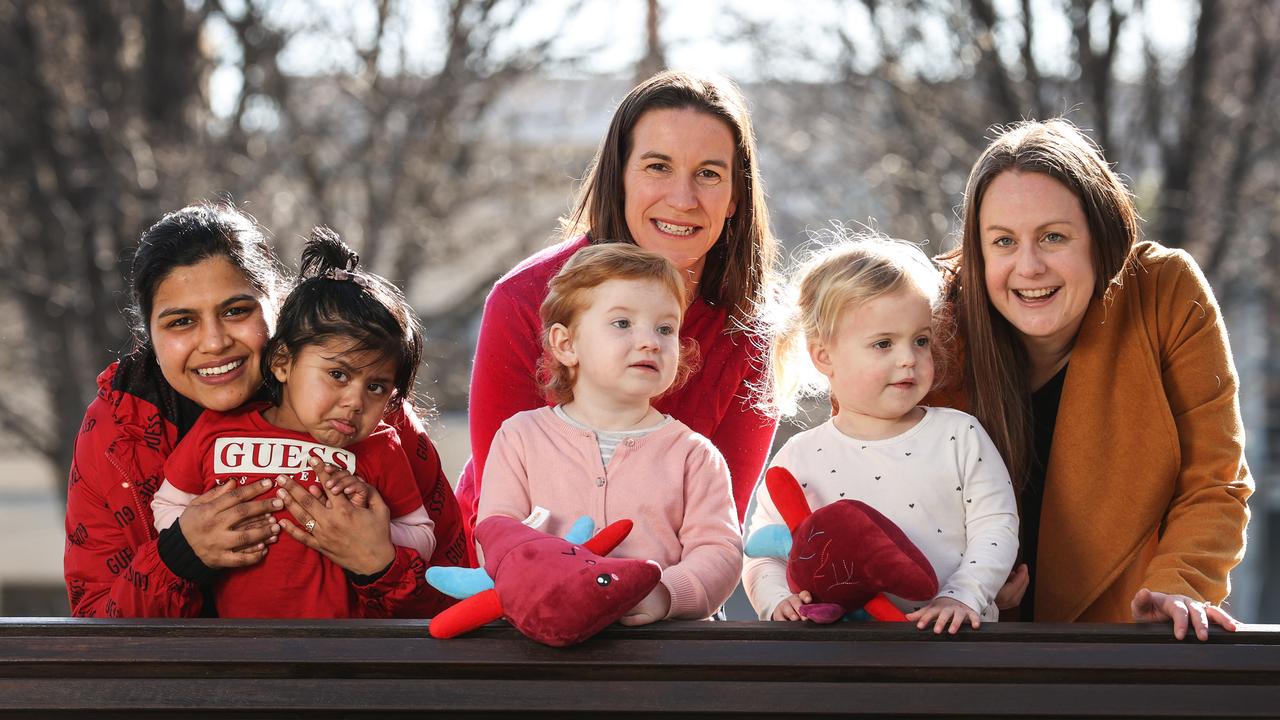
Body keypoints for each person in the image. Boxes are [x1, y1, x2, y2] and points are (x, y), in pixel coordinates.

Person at [933, 119, 1253, 639]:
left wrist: (1179, 585)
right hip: (962, 644)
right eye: (1004, 241)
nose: (1029, 266)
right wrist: (967, 581)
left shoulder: (1162, 292)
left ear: (1099, 239)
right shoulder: (934, 327)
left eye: (1053, 237)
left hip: (1121, 639)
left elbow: (1214, 480)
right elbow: (873, 472)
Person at [64, 203, 466, 618]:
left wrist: (379, 565)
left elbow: (458, 597)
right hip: (184, 682)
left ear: (276, 303)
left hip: (345, 676)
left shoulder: (365, 410)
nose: (215, 342)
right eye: (181, 322)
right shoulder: (117, 429)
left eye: (236, 311)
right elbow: (94, 625)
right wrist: (179, 557)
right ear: (147, 332)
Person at [458, 71, 779, 546]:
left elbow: (717, 525)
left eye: (709, 174)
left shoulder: (750, 324)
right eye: (657, 167)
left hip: (669, 589)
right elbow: (499, 501)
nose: (683, 198)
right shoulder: (525, 299)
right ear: (620, 177)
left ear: (734, 196)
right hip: (517, 573)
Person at [150, 229, 435, 617]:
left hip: (340, 656)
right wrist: (196, 535)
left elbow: (423, 534)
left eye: (376, 386)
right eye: (337, 375)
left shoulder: (380, 447)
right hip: (235, 653)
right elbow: (167, 503)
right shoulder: (217, 431)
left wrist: (374, 537)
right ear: (283, 362)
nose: (355, 401)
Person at [743, 236, 1018, 633]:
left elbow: (996, 526)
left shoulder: (960, 435)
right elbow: (765, 550)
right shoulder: (800, 456)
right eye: (883, 344)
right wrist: (776, 601)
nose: (909, 358)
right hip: (841, 650)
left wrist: (962, 595)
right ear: (824, 355)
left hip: (951, 643)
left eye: (920, 340)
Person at [477, 244, 743, 624]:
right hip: (543, 636)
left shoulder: (694, 455)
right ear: (566, 344)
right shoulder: (521, 438)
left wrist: (665, 594)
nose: (651, 340)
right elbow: (497, 533)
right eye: (622, 323)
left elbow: (719, 551)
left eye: (665, 328)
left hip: (660, 651)